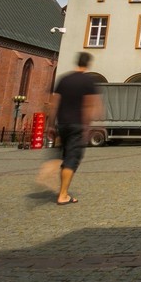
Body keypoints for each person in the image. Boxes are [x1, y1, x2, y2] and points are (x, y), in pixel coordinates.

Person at [43, 52, 102, 205]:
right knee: (72, 158)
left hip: (62, 124)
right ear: (88, 63)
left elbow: (54, 103)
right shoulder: (88, 81)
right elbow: (89, 105)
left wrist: (50, 125)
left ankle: (62, 189)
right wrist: (87, 127)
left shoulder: (64, 79)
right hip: (77, 124)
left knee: (64, 155)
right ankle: (63, 195)